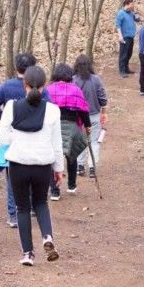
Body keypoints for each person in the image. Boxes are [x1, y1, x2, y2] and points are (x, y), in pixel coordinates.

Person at [0, 65, 64, 266]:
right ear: (45, 86)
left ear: (24, 84)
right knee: (41, 203)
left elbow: (2, 138)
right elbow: (57, 144)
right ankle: (47, 237)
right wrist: (58, 169)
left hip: (18, 163)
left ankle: (28, 254)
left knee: (22, 207)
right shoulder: (52, 111)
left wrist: (17, 138)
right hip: (42, 165)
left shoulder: (11, 107)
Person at [0, 52, 49, 228]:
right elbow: (50, 108)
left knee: (13, 177)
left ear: (16, 68)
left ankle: (14, 215)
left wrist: (5, 120)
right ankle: (29, 207)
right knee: (33, 168)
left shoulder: (6, 87)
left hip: (13, 136)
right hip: (36, 135)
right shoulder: (40, 89)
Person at [47, 63, 92, 195]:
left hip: (53, 127)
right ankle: (71, 186)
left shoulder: (49, 90)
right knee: (72, 156)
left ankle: (55, 191)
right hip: (72, 126)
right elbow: (83, 110)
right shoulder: (76, 90)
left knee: (54, 158)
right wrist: (87, 125)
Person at [72, 54, 107, 178]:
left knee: (80, 141)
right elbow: (102, 96)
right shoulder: (96, 79)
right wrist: (103, 109)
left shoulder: (73, 80)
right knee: (94, 142)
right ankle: (92, 168)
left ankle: (80, 166)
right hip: (94, 114)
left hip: (78, 117)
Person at [115, 0, 138, 77]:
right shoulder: (121, 13)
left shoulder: (131, 13)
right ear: (127, 4)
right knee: (123, 54)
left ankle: (126, 68)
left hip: (131, 36)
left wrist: (136, 13)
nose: (133, 6)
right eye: (132, 4)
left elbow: (137, 19)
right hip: (124, 37)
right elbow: (118, 25)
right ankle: (122, 71)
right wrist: (120, 36)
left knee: (129, 53)